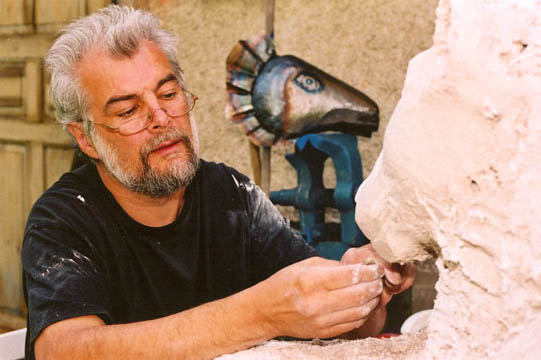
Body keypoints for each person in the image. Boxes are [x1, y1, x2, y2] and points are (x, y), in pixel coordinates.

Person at [21, 5, 415, 360]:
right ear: (86, 137)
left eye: (169, 93)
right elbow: (63, 351)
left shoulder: (231, 195)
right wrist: (259, 315)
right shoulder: (63, 219)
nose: (161, 117)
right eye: (128, 110)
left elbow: (342, 325)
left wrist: (362, 291)